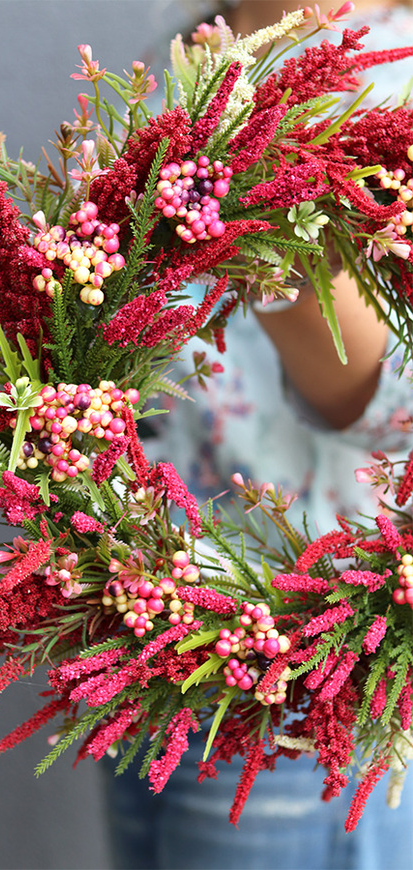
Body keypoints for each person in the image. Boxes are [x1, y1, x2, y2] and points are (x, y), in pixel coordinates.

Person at [100, 2, 413, 868]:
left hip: (296, 689)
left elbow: (396, 411)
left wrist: (270, 248)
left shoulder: (395, 84)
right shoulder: (179, 62)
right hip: (138, 643)